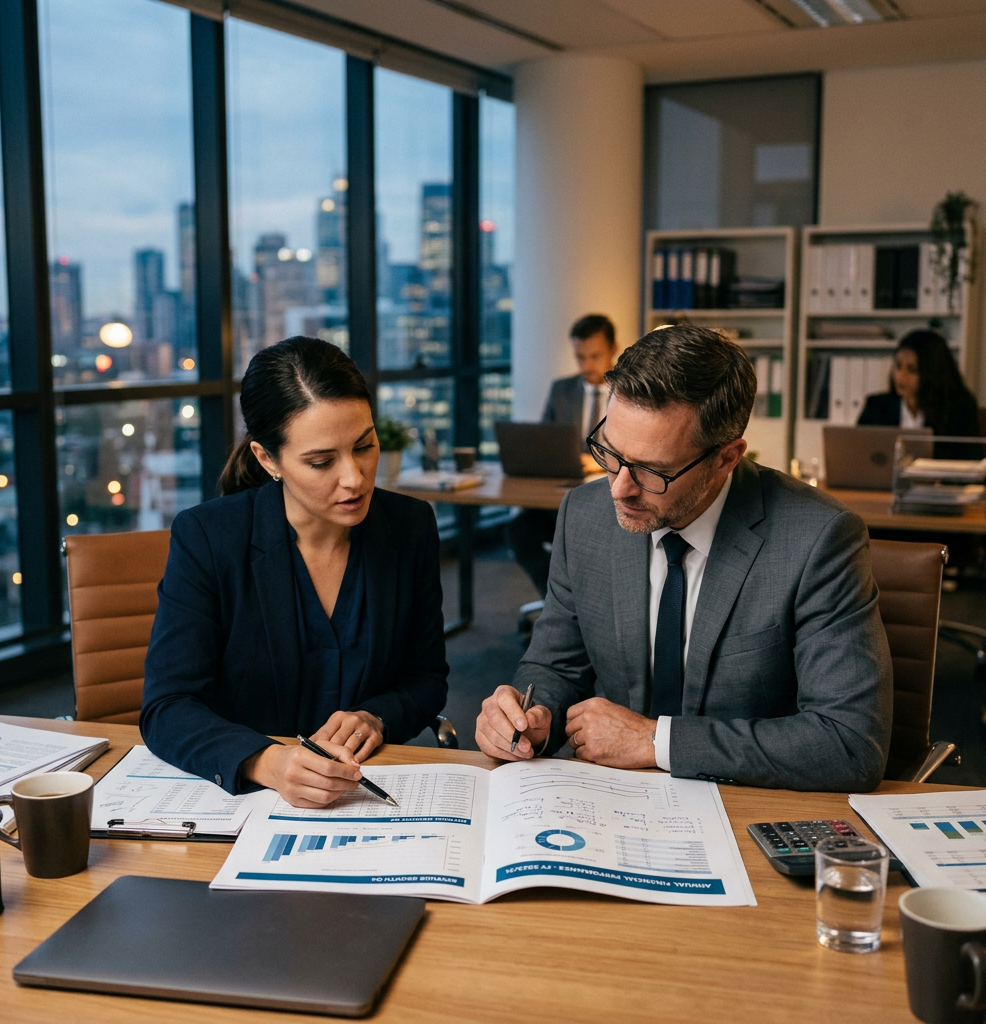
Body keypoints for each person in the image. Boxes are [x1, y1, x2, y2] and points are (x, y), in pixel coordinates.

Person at [477, 324, 893, 792]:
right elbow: (555, 667)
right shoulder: (585, 515)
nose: (619, 488)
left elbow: (849, 743)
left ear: (727, 458)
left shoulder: (818, 538)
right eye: (611, 454)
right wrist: (532, 716)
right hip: (608, 801)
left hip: (745, 806)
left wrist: (655, 741)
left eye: (653, 471)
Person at [140, 336, 448, 807]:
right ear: (268, 459)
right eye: (322, 461)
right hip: (247, 801)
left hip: (371, 794)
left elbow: (426, 677)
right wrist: (266, 761)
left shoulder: (409, 527)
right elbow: (167, 708)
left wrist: (376, 717)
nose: (355, 477)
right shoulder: (208, 538)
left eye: (365, 446)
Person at [508, 314, 619, 596]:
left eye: (595, 356)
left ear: (613, 350)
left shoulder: (630, 391)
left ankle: (577, 604)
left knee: (584, 543)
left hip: (609, 499)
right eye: (580, 357)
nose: (587, 365)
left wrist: (596, 462)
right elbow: (547, 443)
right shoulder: (562, 390)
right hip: (563, 498)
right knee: (519, 530)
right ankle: (558, 601)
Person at [858, 328, 979, 436]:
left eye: (912, 370)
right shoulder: (876, 406)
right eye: (898, 366)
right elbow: (857, 451)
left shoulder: (960, 409)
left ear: (933, 372)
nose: (900, 376)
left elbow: (970, 458)